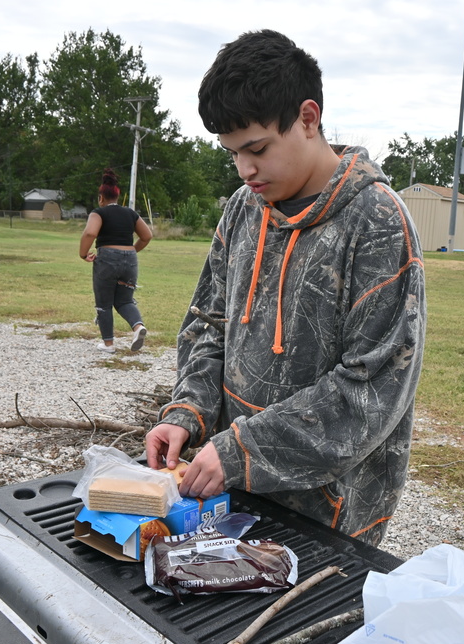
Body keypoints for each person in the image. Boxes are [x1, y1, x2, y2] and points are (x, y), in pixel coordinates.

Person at [144, 29, 426, 547]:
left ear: (308, 119)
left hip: (330, 514)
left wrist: (241, 451)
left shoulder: (379, 222)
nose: (245, 169)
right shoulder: (242, 209)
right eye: (232, 153)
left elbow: (370, 392)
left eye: (256, 149)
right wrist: (188, 412)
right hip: (233, 489)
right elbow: (209, 326)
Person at [79, 168, 152, 353]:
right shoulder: (130, 213)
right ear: (117, 197)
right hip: (130, 260)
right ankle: (138, 327)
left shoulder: (98, 213)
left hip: (107, 259)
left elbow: (90, 233)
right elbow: (147, 236)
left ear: (101, 198)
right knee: (125, 301)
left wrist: (83, 254)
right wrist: (130, 252)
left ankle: (108, 344)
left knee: (104, 303)